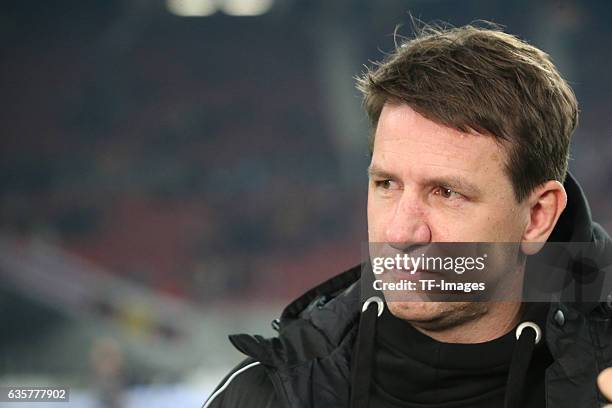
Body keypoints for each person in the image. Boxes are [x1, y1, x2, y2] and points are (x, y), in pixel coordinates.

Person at [203, 24, 612, 408]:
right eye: (386, 184)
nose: (399, 232)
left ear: (538, 216)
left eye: (446, 193)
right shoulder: (269, 393)